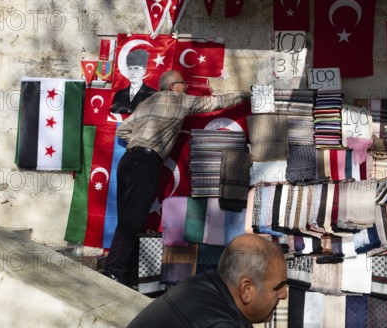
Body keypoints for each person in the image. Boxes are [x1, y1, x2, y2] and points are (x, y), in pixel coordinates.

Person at [103, 70, 249, 285]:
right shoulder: (178, 100)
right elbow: (213, 104)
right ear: (173, 87)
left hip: (128, 161)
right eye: (183, 84)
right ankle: (114, 270)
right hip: (146, 163)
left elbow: (122, 130)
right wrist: (245, 95)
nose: (186, 87)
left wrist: (139, 140)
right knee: (133, 220)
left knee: (130, 218)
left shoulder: (146, 102)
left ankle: (128, 272)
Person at [127, 234, 288, 327]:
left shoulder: (198, 284)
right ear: (246, 289)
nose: (284, 294)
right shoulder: (222, 324)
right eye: (278, 287)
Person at [111, 49, 157, 113]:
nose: (132, 72)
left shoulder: (153, 94)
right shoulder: (119, 94)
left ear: (144, 71)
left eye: (136, 68)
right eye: (130, 69)